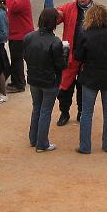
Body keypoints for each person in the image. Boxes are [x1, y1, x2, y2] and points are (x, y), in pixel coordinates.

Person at [74, 4, 107, 154]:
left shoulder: (84, 33)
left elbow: (78, 56)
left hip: (90, 76)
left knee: (86, 113)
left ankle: (85, 146)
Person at [23, 8, 67, 152]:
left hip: (34, 78)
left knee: (37, 108)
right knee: (45, 111)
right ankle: (42, 143)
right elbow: (61, 65)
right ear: (54, 22)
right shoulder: (55, 42)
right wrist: (65, 51)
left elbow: (26, 56)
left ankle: (33, 138)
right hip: (49, 81)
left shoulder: (29, 37)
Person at [54, 0, 94, 126]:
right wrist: (56, 14)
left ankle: (82, 113)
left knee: (83, 87)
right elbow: (57, 16)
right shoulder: (69, 7)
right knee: (65, 88)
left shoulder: (96, 11)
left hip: (87, 57)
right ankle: (64, 113)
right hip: (70, 55)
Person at [4, 0, 33, 93]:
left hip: (21, 35)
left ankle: (19, 84)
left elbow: (13, 8)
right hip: (15, 34)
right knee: (15, 59)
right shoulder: (14, 0)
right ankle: (16, 81)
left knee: (17, 60)